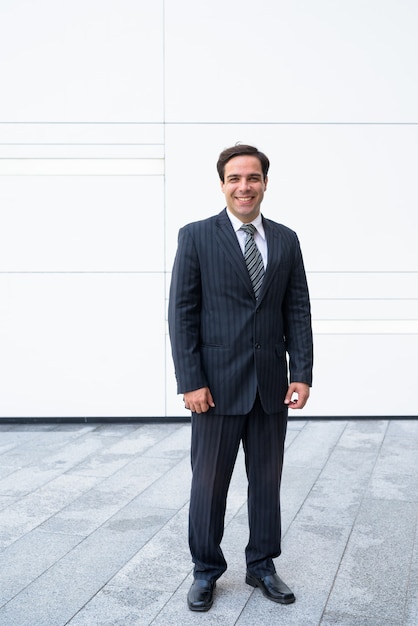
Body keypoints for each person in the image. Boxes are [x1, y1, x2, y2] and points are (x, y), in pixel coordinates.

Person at [168, 144, 313, 612]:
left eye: (253, 178)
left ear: (265, 183)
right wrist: (191, 380)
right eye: (235, 178)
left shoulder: (287, 240)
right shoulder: (196, 237)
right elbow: (182, 314)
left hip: (271, 384)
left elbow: (298, 310)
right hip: (214, 387)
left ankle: (262, 566)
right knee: (208, 484)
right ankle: (206, 570)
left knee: (266, 481)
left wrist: (302, 372)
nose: (244, 186)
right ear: (222, 184)